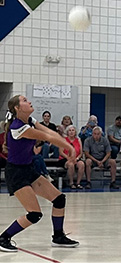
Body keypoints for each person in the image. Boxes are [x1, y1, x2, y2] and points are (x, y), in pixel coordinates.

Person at [0, 95, 79, 252]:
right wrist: (69, 147)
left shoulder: (29, 120)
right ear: (17, 108)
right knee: (34, 214)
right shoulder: (18, 127)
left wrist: (67, 145)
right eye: (24, 100)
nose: (29, 102)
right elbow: (47, 137)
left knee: (59, 200)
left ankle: (58, 236)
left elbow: (50, 132)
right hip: (16, 173)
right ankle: (3, 238)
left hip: (29, 169)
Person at [58, 125, 85, 189]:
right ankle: (71, 183)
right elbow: (61, 152)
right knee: (70, 164)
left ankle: (78, 183)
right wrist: (69, 158)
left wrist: (77, 158)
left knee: (81, 164)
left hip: (76, 158)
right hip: (65, 158)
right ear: (67, 132)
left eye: (73, 130)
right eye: (69, 130)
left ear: (75, 132)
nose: (71, 132)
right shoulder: (63, 140)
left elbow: (81, 153)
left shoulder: (78, 140)